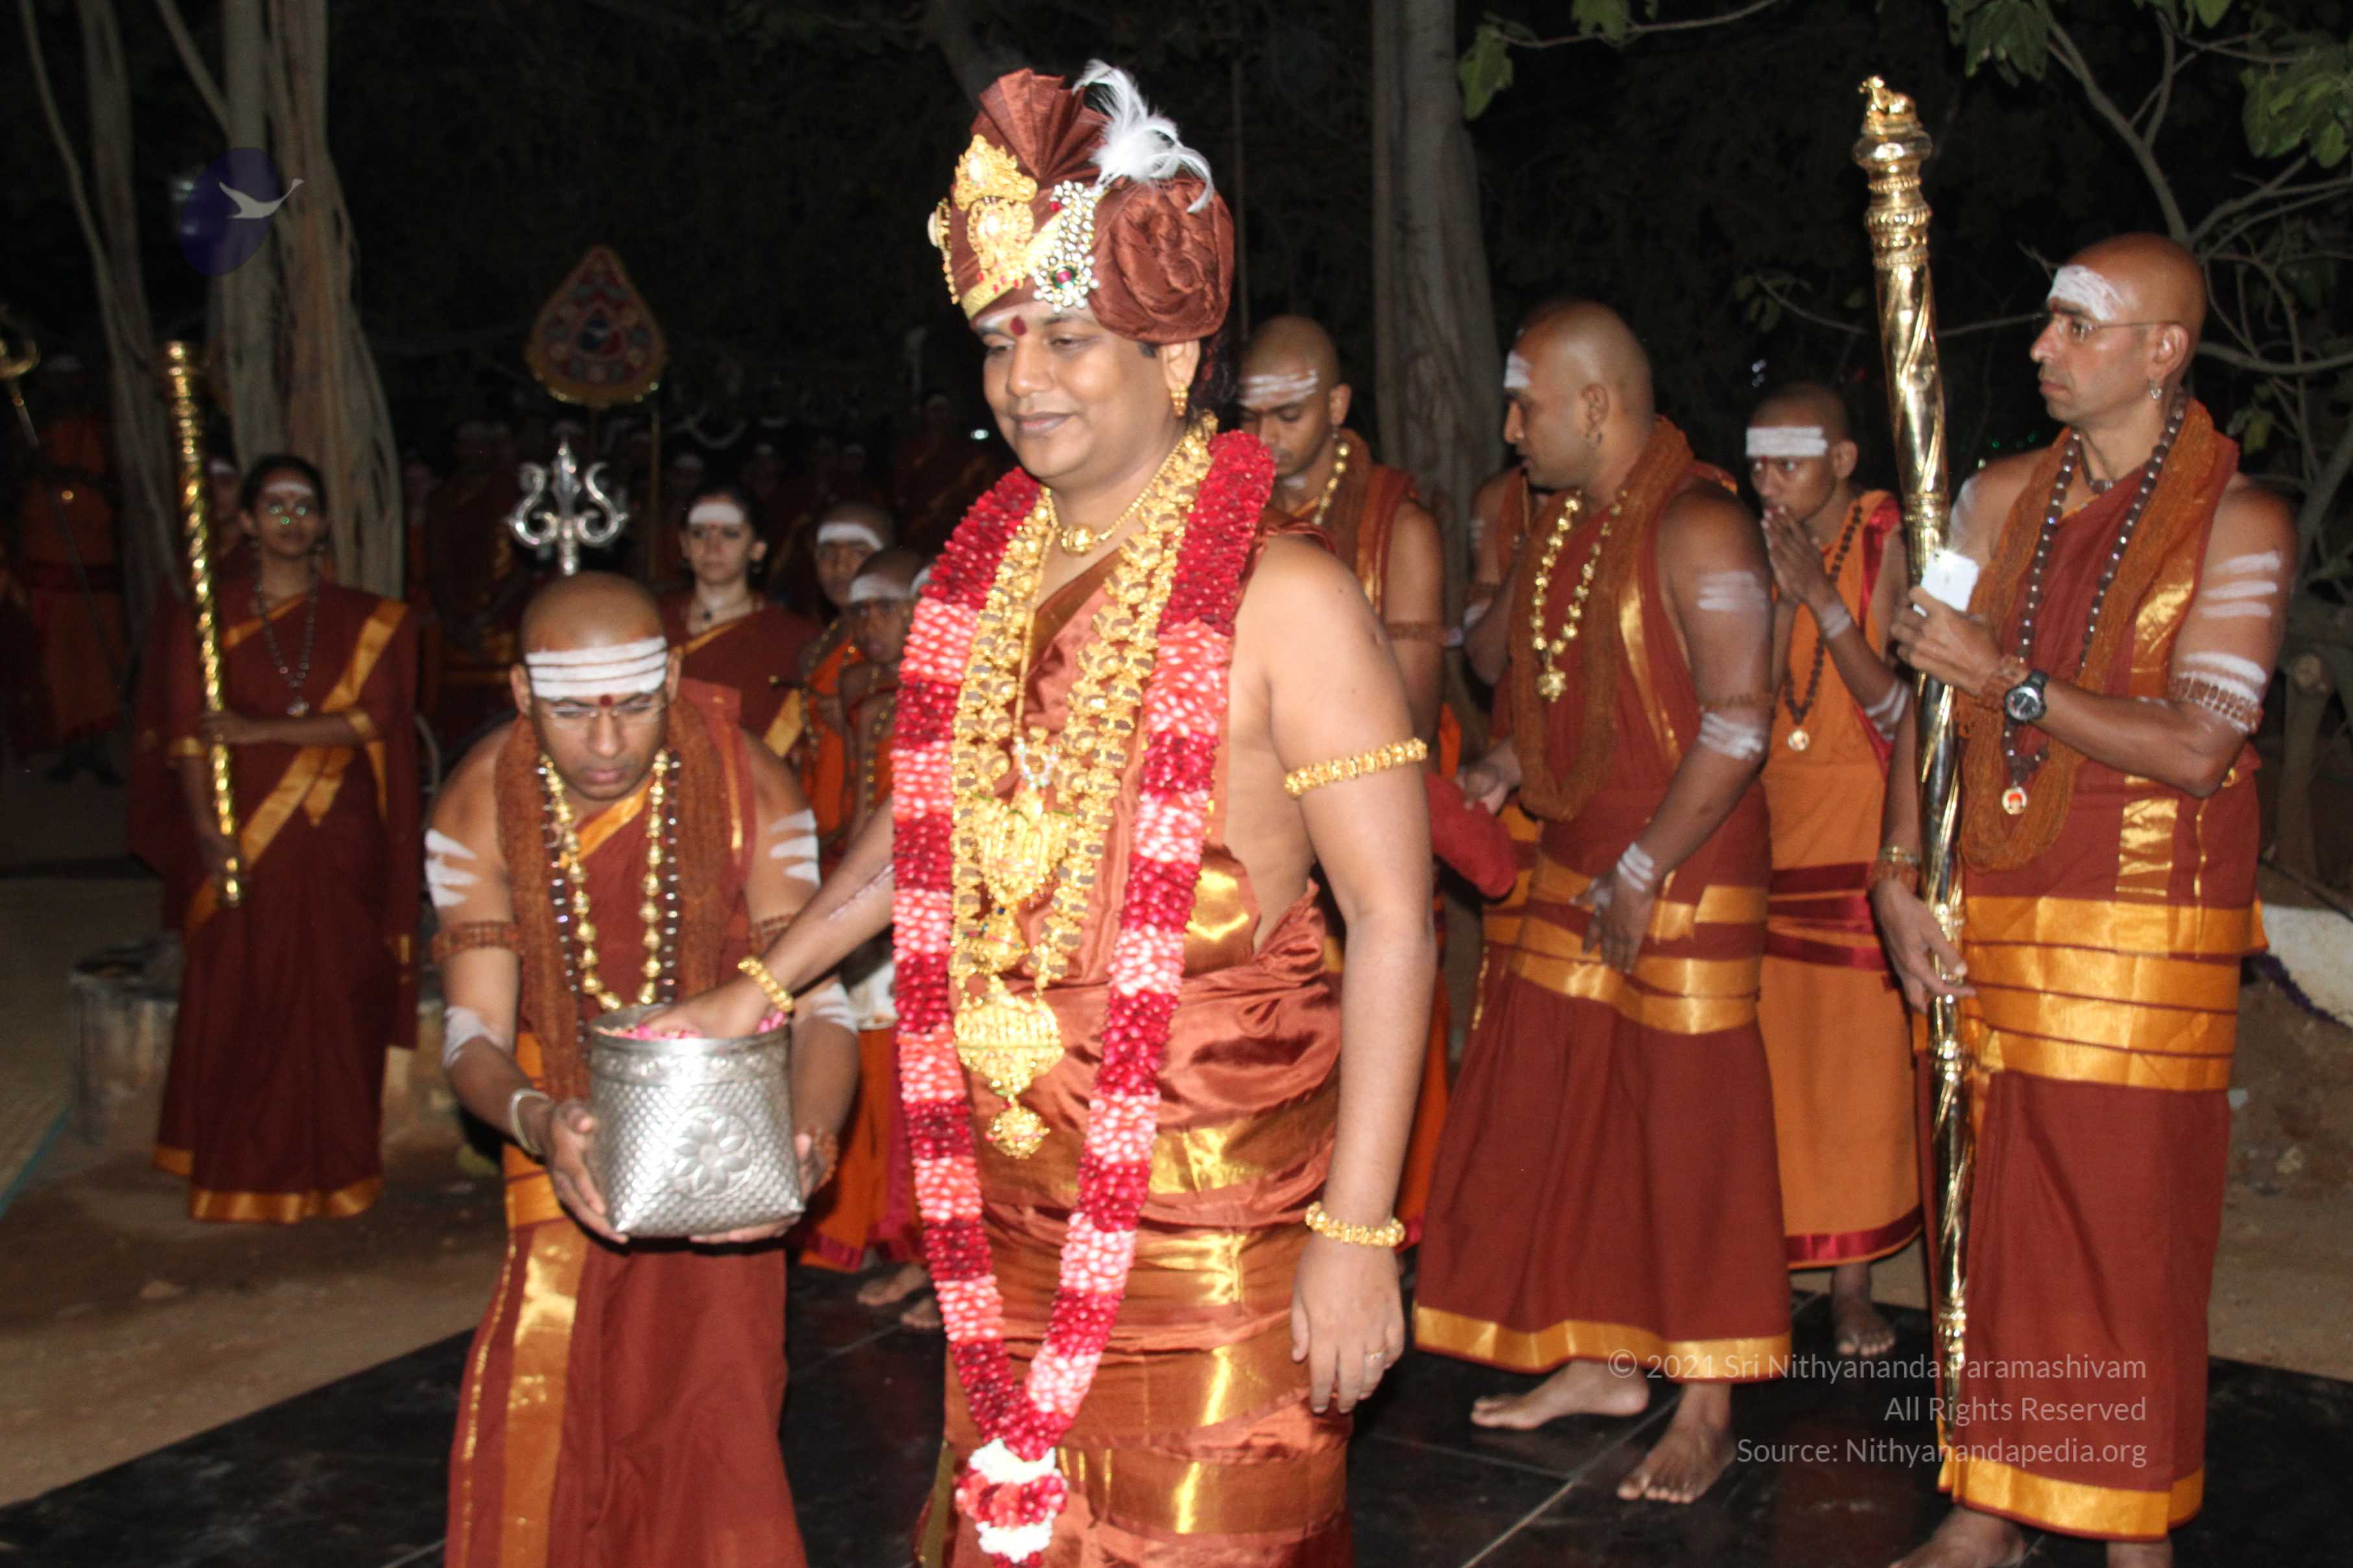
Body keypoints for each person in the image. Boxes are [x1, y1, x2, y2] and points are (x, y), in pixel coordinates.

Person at [656, 62, 1435, 1565]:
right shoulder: (979, 578)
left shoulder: (1287, 595)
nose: (1025, 379)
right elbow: (922, 832)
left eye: (1068, 336)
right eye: (1000, 336)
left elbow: (1395, 919)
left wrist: (1355, 1232)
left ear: (1175, 349)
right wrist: (759, 987)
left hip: (1218, 1221)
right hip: (1007, 1204)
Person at [1878, 236, 2290, 1568]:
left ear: (2162, 350)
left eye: (2073, 326)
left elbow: (2198, 747)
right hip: (1988, 899)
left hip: (2138, 932)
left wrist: (2001, 676)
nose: (2038, 348)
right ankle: (1986, 1502)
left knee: (2118, 1233)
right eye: (2043, 323)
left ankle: (2128, 1533)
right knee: (1990, 1221)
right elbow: (1922, 679)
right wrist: (1895, 870)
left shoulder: (2241, 521)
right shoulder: (1990, 498)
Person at [1417, 301, 1786, 1504]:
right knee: (1577, 1106)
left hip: (1683, 860)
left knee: (1687, 1123)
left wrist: (1640, 867)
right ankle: (1603, 1358)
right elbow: (1547, 688)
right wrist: (1503, 765)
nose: (1510, 428)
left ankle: (1707, 1401)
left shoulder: (1699, 521)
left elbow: (1737, 722)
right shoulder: (1569, 523)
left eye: (1527, 405)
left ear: (1595, 405)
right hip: (1581, 846)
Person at [429, 571, 858, 1568]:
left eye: (632, 705)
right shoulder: (479, 799)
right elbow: (470, 1036)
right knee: (552, 1390)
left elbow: (821, 1006)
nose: (606, 743)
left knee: (713, 1406)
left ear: (671, 677)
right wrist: (538, 1120)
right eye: (571, 711)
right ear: (523, 692)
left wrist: (805, 1143)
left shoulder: (752, 783)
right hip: (560, 1110)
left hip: (729, 1130)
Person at [148, 456, 420, 1221]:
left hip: (339, 835)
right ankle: (234, 1165)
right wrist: (208, 835)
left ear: (325, 523)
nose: (291, 519)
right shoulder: (206, 618)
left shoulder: (370, 619)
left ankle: (338, 1165)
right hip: (244, 833)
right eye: (275, 505)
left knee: (338, 992)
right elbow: (189, 739)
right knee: (244, 988)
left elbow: (376, 717)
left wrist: (260, 730)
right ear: (245, 522)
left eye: (305, 506)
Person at [1238, 314, 1452, 1239]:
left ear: (1336, 406)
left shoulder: (1398, 526)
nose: (1263, 438)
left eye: (1287, 415)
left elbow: (1406, 720)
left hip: (1358, 805)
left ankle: (1372, 1223)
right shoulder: (1218, 514)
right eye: (1248, 417)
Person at [1745, 382, 1919, 1359]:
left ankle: (1852, 1285)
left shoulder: (1888, 542)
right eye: (1757, 465)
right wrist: (1778, 601)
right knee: (1770, 1059)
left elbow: (1899, 710)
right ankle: (1761, 1267)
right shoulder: (1755, 546)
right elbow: (1751, 699)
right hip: (1772, 822)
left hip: (1858, 823)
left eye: (1789, 463)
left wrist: (1819, 596)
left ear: (1843, 462)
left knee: (1855, 1064)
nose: (1767, 482)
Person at [798, 549, 932, 1321]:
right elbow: (858, 807)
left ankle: (945, 1265)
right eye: (858, 611)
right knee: (888, 1080)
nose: (867, 624)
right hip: (872, 896)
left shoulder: (949, 689)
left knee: (932, 1090)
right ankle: (904, 1245)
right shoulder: (858, 688)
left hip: (930, 903)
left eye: (883, 606)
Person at [9, 355, 123, 778]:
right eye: (58, 381)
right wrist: (34, 464)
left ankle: (97, 748)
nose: (66, 388)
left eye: (73, 379)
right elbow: (11, 485)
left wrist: (77, 477)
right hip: (48, 555)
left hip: (94, 556)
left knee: (98, 654)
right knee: (57, 657)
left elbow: (122, 487)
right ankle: (69, 748)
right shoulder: (29, 430)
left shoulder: (103, 429)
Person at [657, 480, 820, 757]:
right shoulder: (653, 620)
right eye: (699, 534)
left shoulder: (792, 638)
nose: (712, 547)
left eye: (730, 534)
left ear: (757, 548)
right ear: (684, 545)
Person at [422, 416, 530, 754]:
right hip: (455, 622)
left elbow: (524, 567)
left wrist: (487, 615)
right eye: (465, 444)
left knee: (503, 710)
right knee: (457, 713)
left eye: (480, 444)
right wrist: (452, 618)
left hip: (501, 624)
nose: (473, 452)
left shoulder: (511, 496)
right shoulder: (441, 499)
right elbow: (435, 563)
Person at [795, 500, 893, 866]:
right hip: (816, 835)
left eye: (857, 552)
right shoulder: (813, 651)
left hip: (871, 836)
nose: (839, 566)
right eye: (827, 553)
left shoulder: (896, 652)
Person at [895, 390, 998, 554]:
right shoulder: (911, 448)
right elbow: (901, 491)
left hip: (955, 525)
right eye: (934, 410)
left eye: (943, 409)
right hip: (919, 525)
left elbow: (980, 488)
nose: (939, 415)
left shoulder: (966, 449)